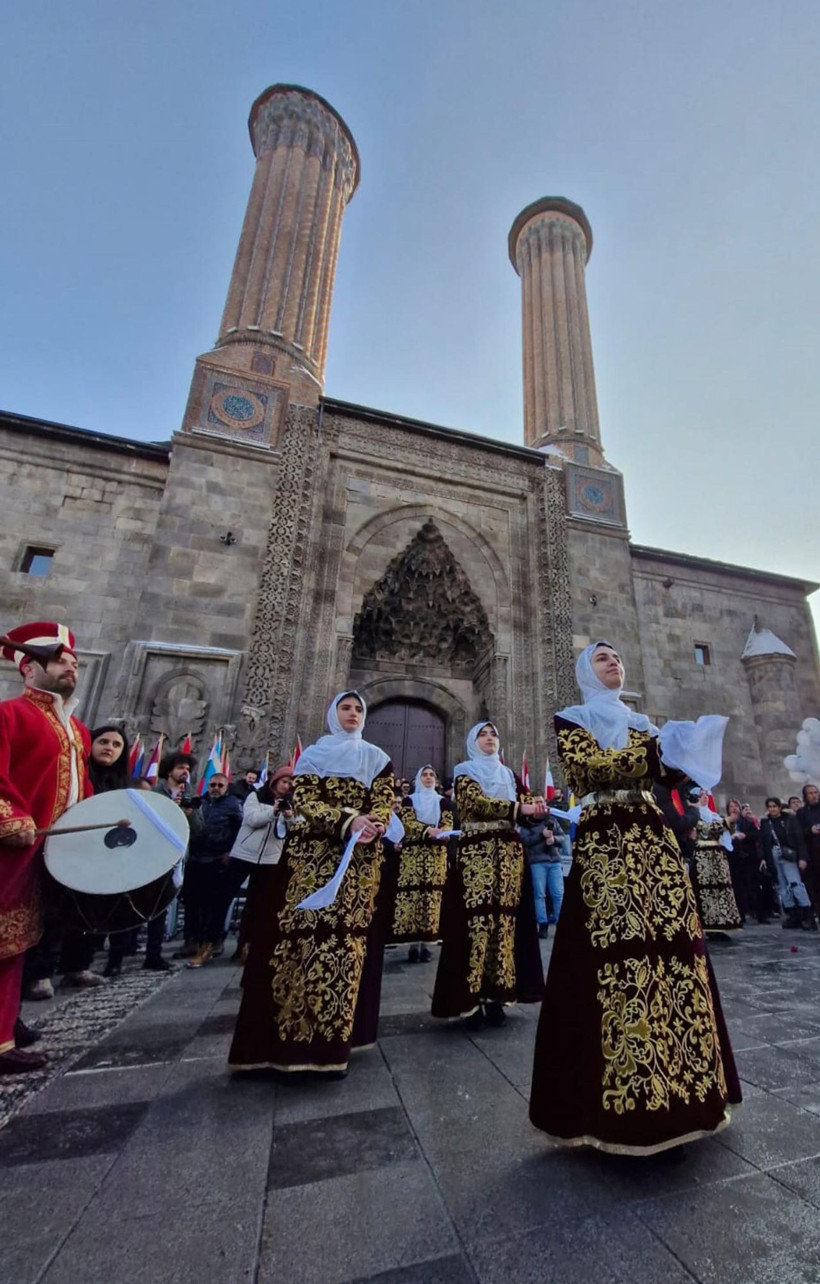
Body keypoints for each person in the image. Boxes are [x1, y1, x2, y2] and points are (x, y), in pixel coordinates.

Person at [529, 640, 740, 1155]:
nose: (614, 663)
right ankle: (627, 1101)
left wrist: (686, 752)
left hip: (653, 835)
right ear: (586, 670)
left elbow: (666, 780)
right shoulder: (571, 718)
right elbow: (587, 771)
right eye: (603, 658)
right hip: (606, 838)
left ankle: (689, 1092)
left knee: (675, 952)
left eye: (619, 657)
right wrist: (654, 751)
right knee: (617, 954)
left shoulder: (642, 722)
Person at [228, 691, 394, 1078]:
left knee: (345, 943)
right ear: (332, 713)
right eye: (346, 708)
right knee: (301, 941)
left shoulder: (377, 758)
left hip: (358, 861)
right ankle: (287, 1040)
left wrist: (377, 823)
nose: (352, 714)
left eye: (358, 709)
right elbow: (305, 800)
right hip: (309, 861)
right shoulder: (313, 756)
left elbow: (384, 800)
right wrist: (349, 821)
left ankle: (333, 1044)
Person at [0, 622, 93, 1072]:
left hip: (53, 850)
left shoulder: (76, 730)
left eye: (74, 663)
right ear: (29, 669)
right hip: (14, 846)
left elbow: (82, 787)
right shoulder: (10, 715)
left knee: (23, 940)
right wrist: (10, 819)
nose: (71, 668)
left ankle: (6, 1025)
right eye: (60, 661)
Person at [431, 721, 545, 1029]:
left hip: (509, 852)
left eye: (494, 733)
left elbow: (526, 804)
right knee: (477, 920)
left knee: (505, 922)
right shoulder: (465, 771)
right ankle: (470, 998)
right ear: (472, 741)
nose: (490, 738)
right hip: (477, 852)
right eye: (483, 734)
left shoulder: (508, 774)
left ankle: (499, 995)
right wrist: (519, 809)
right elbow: (474, 804)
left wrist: (536, 807)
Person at [228, 764, 294, 964]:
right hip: (245, 855)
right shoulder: (256, 796)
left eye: (291, 783)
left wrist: (289, 817)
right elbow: (251, 820)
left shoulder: (292, 803)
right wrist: (272, 812)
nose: (287, 786)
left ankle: (253, 946)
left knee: (261, 904)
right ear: (275, 781)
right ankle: (217, 943)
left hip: (270, 859)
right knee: (227, 899)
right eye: (284, 781)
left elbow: (294, 831)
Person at [391, 765, 453, 963]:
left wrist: (444, 833)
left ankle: (427, 944)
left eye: (431, 775)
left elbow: (448, 822)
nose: (428, 778)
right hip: (413, 854)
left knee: (431, 898)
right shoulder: (410, 800)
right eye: (424, 774)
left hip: (436, 855)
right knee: (413, 896)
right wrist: (428, 831)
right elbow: (408, 822)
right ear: (419, 778)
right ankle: (412, 944)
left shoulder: (442, 801)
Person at [183, 773, 243, 967]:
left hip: (218, 859)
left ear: (227, 787)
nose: (215, 788)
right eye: (212, 785)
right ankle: (192, 940)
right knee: (192, 902)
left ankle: (214, 941)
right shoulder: (200, 802)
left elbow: (240, 830)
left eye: (219, 785)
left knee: (214, 903)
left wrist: (230, 852)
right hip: (196, 857)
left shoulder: (233, 804)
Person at [689, 789, 742, 933]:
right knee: (707, 890)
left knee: (721, 888)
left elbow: (725, 832)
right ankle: (708, 924)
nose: (704, 798)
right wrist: (727, 821)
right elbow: (705, 830)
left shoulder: (713, 815)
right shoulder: (693, 813)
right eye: (701, 795)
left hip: (717, 856)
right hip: (703, 857)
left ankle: (723, 921)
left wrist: (729, 823)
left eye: (706, 795)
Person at [760, 797, 815, 930]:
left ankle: (807, 914)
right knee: (782, 886)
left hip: (787, 854)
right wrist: (762, 858)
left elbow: (799, 839)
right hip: (773, 855)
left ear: (779, 807)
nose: (772, 809)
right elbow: (763, 842)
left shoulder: (790, 820)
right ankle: (792, 913)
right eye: (770, 806)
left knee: (795, 883)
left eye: (775, 806)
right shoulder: (766, 823)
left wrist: (802, 857)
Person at [519, 812, 565, 938]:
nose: (540, 805)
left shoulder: (552, 820)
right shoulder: (527, 822)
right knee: (539, 895)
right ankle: (543, 924)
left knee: (558, 894)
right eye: (537, 802)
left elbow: (562, 837)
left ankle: (560, 924)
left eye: (542, 802)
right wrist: (541, 835)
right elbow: (525, 840)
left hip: (554, 861)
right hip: (537, 862)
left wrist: (554, 839)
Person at [791, 784, 820, 917]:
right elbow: (798, 834)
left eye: (816, 792)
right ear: (806, 796)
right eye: (810, 793)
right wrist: (810, 830)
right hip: (812, 854)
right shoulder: (802, 813)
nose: (814, 795)